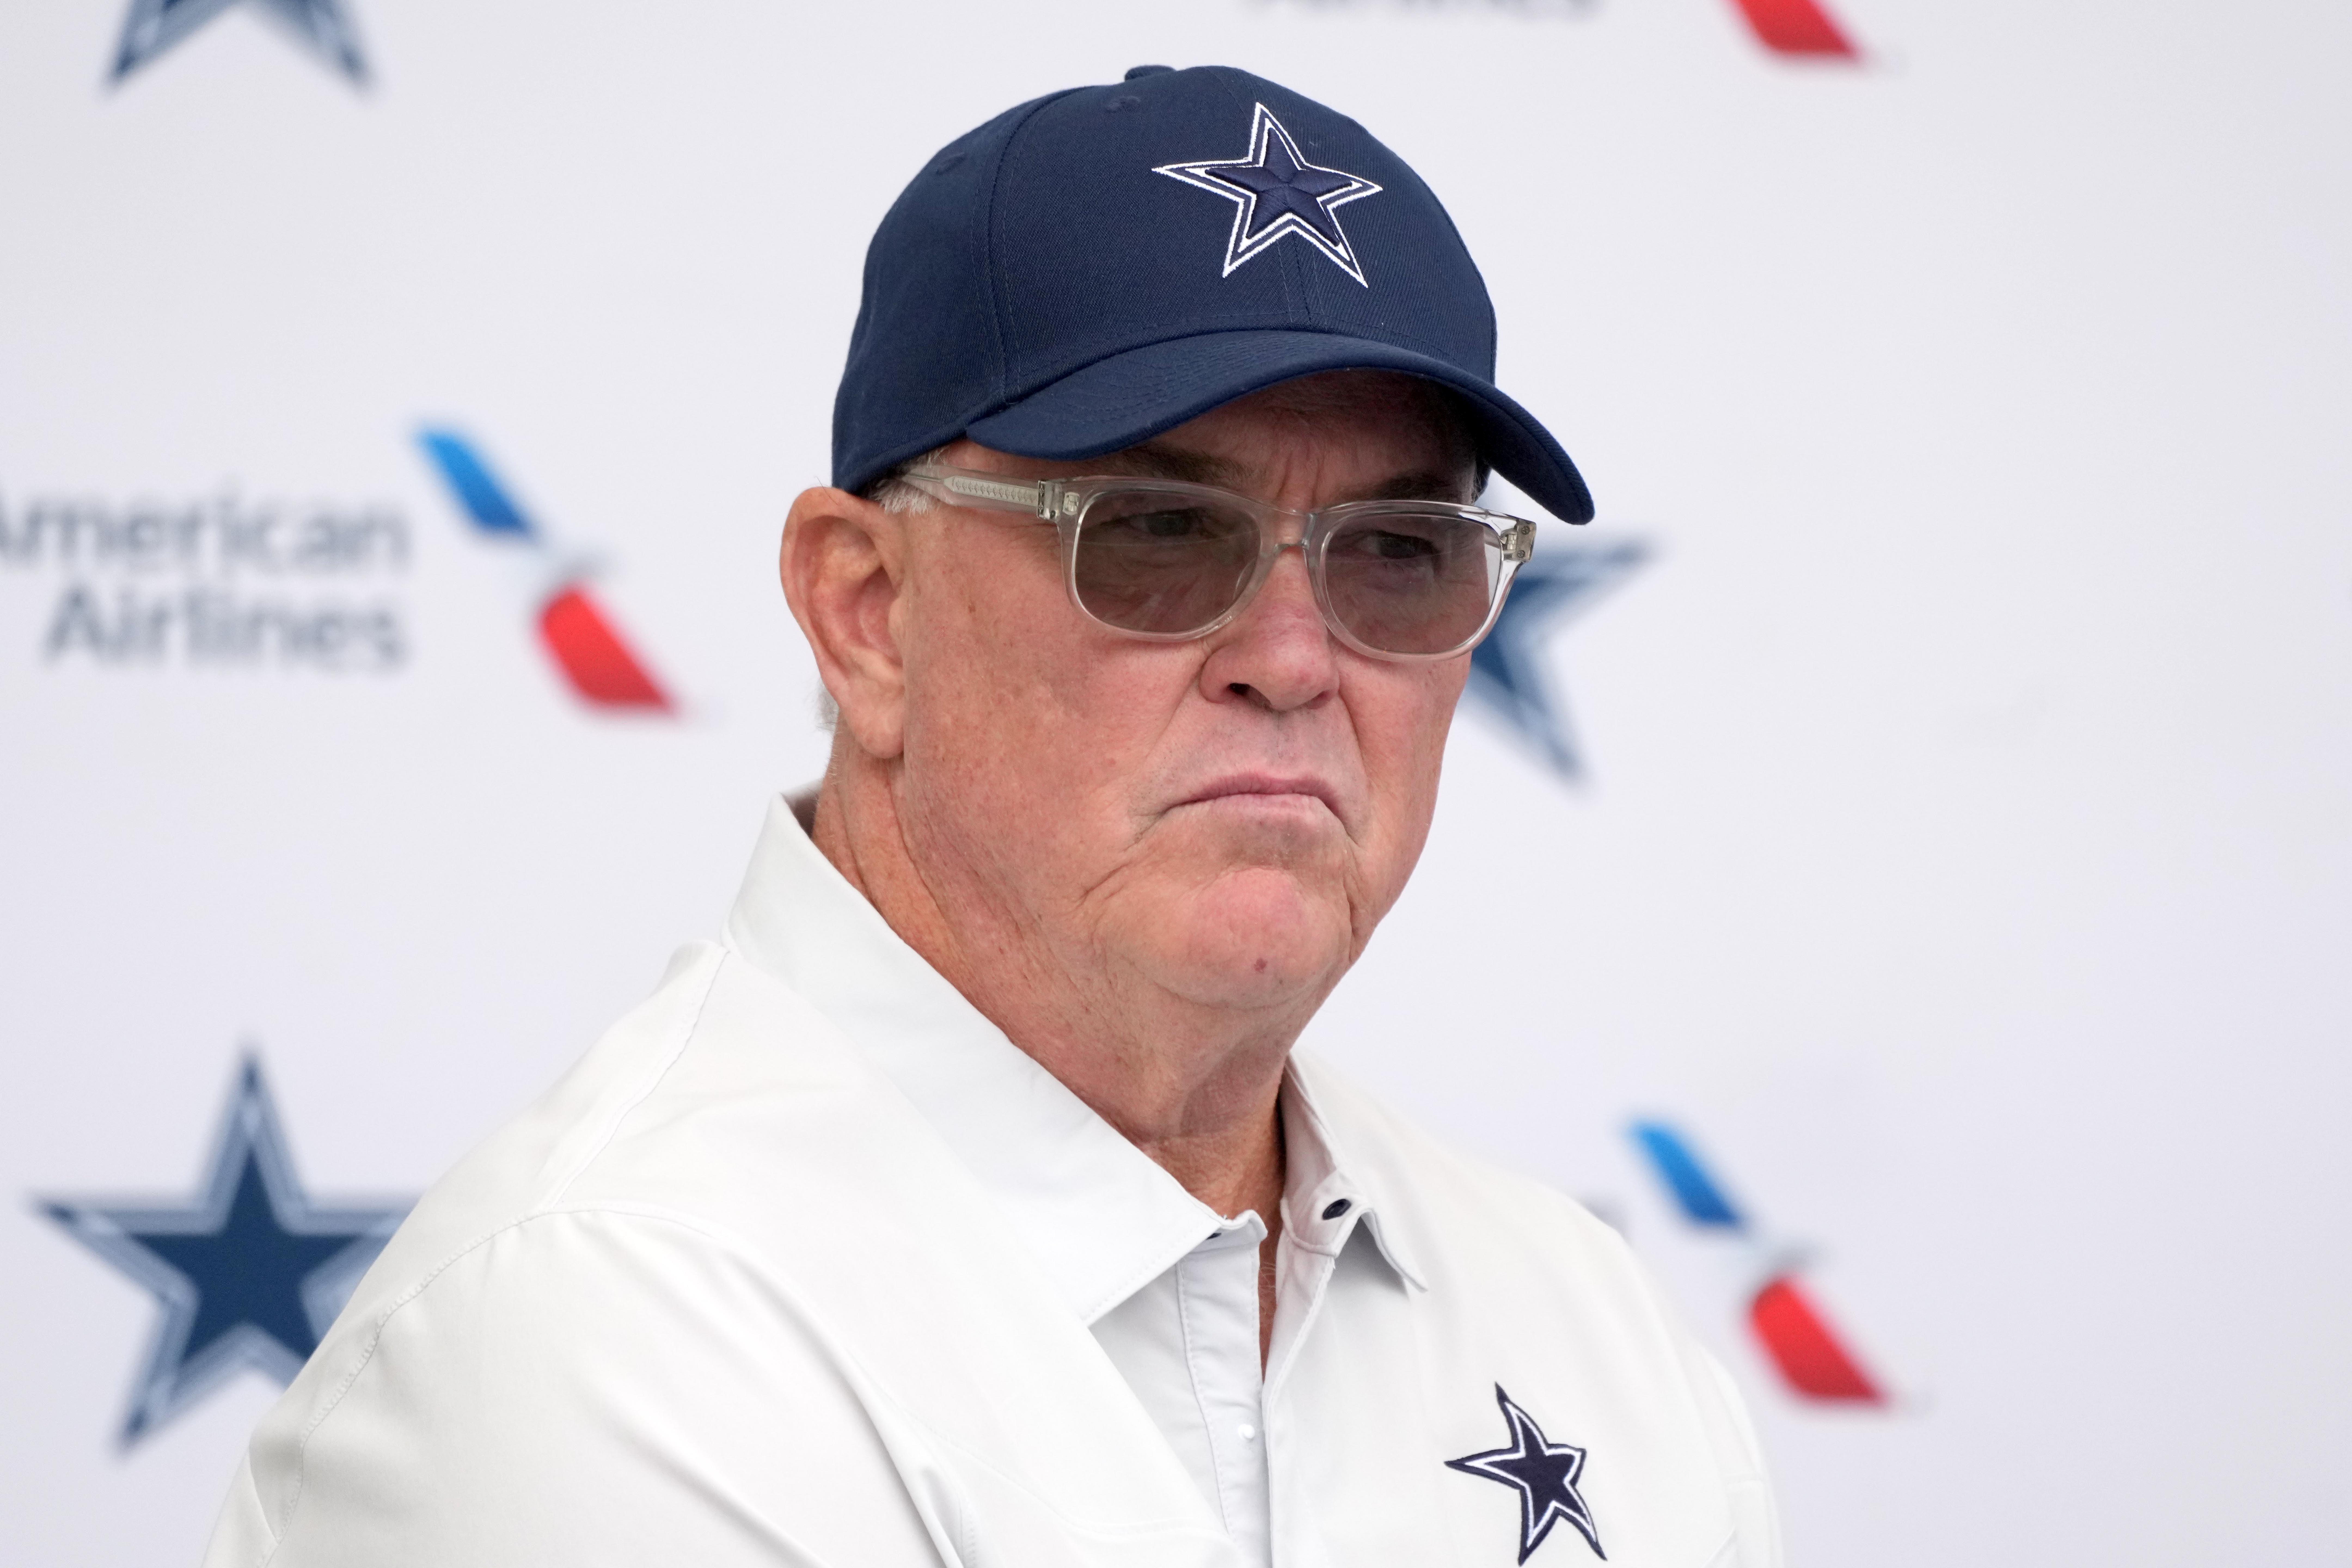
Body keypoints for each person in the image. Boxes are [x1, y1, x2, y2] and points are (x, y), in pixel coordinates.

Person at [203, 65, 1778, 1568]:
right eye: (1161, 534)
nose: (1297, 659)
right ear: (868, 613)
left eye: (1398, 554)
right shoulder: (599, 1318)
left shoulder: (1588, 1328)